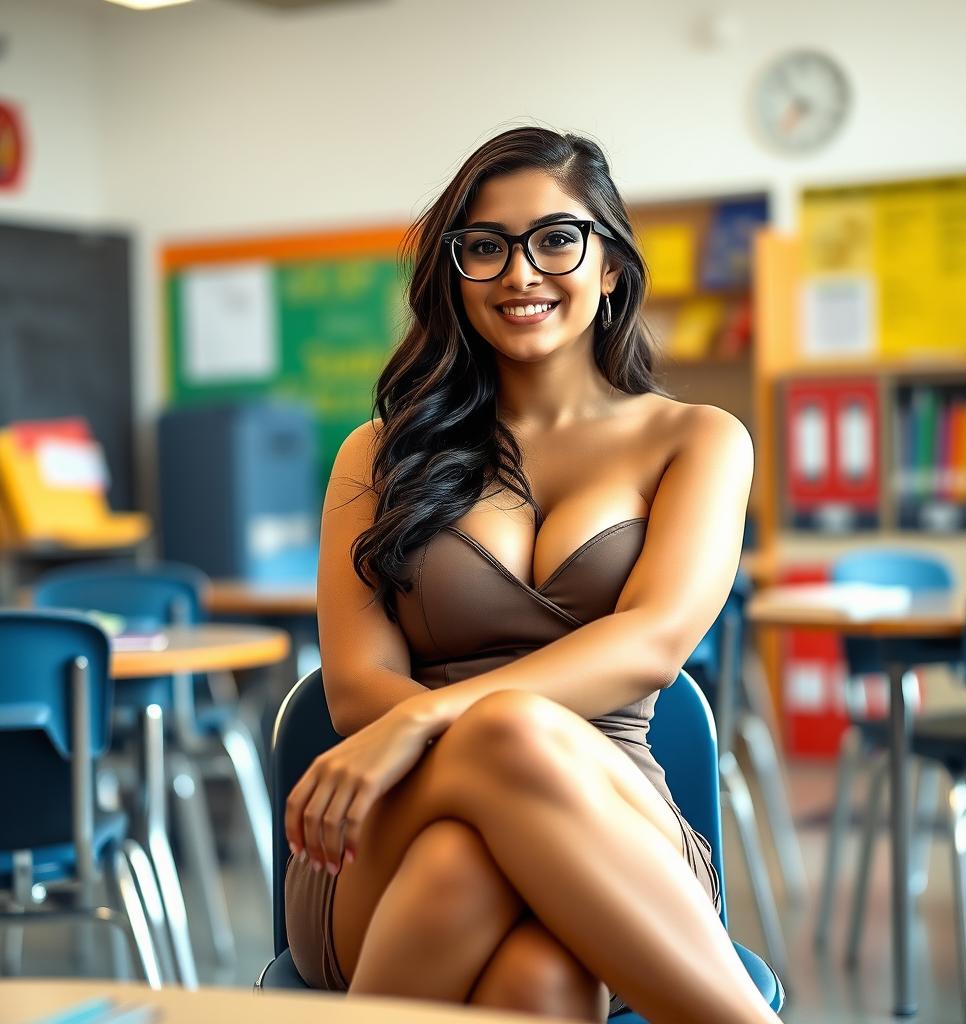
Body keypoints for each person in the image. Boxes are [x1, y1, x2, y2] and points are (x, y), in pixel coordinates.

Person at [284, 125, 775, 1024]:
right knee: (494, 788)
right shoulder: (376, 453)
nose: (520, 274)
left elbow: (656, 643)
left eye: (556, 238)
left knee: (533, 954)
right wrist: (460, 728)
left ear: (613, 264)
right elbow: (356, 692)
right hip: (396, 822)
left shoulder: (699, 438)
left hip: (616, 826)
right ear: (455, 270)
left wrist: (441, 709)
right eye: (485, 247)